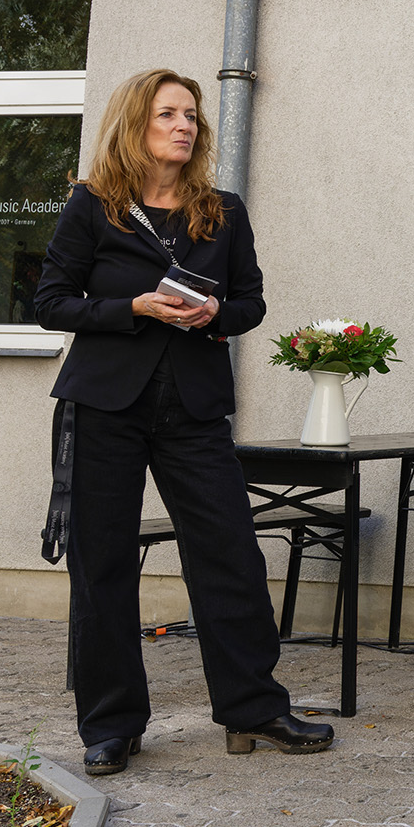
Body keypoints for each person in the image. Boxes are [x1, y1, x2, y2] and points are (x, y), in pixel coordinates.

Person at [34, 69, 333, 776]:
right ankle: (111, 725)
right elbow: (51, 302)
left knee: (231, 554)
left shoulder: (221, 210)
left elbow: (251, 302)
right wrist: (132, 308)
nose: (185, 124)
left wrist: (216, 316)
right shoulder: (93, 207)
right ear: (137, 123)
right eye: (169, 112)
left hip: (193, 410)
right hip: (105, 405)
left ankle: (253, 708)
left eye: (192, 115)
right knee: (102, 565)